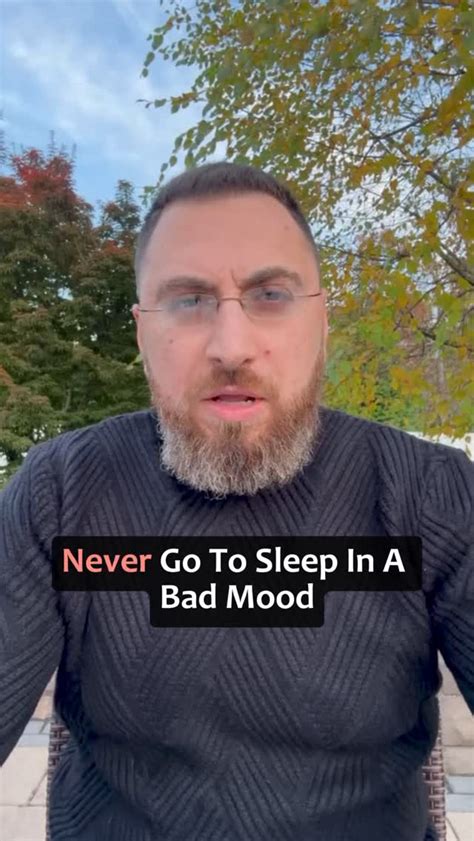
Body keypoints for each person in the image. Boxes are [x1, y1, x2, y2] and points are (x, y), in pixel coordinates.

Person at [0, 162, 472, 841]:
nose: (231, 346)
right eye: (187, 300)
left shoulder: (430, 494)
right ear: (141, 332)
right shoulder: (62, 493)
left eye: (271, 294)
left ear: (322, 321)